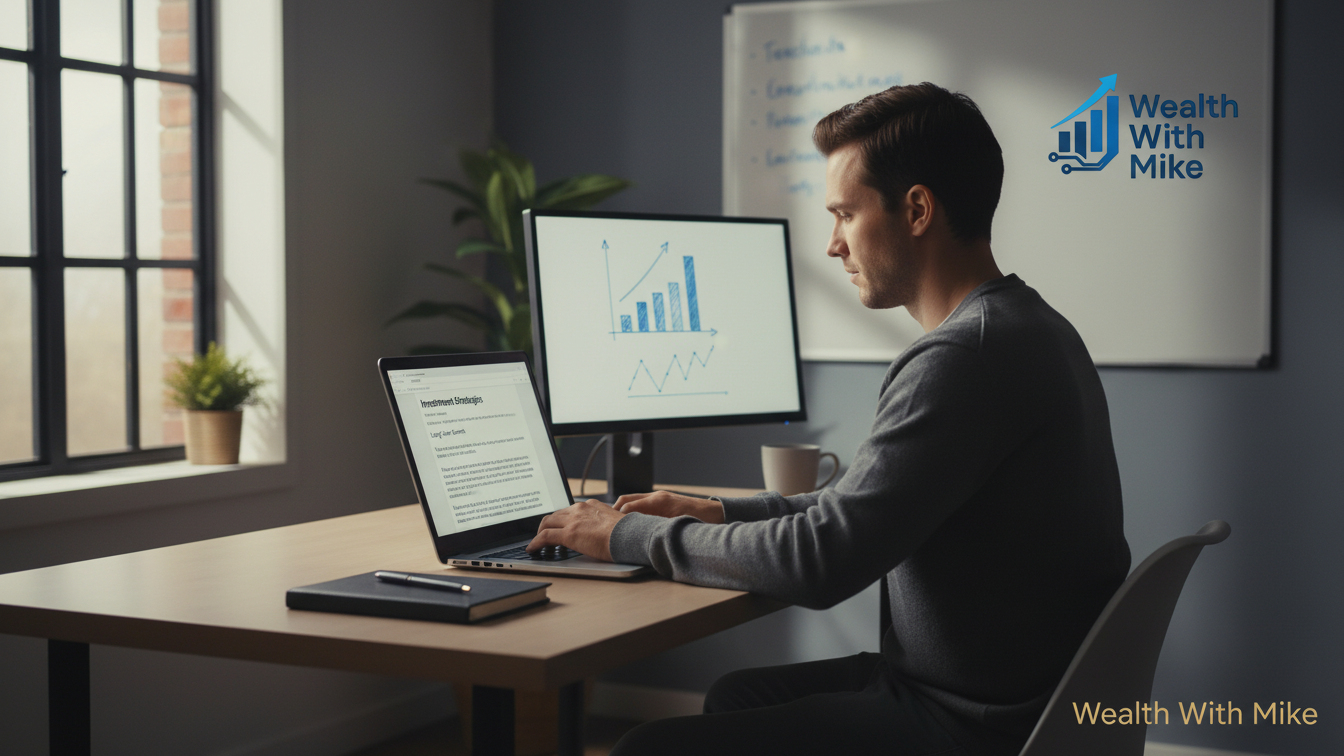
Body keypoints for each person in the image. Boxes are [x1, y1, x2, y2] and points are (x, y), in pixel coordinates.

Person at [527, 82, 1132, 756]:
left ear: (917, 209)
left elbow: (823, 560)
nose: (832, 245)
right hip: (1007, 695)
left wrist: (627, 535)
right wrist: (715, 514)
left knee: (649, 748)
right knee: (738, 696)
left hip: (976, 726)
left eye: (844, 214)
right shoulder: (1026, 327)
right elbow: (858, 511)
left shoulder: (964, 358)